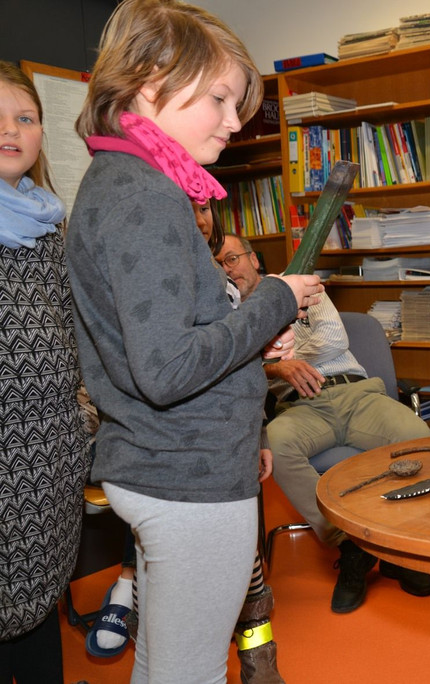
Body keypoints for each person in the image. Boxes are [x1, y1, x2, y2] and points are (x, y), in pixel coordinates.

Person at [65, 1, 322, 681]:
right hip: (188, 475)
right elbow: (168, 368)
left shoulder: (127, 183)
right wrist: (272, 301)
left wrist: (246, 340)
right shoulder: (144, 196)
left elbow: (168, 339)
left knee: (165, 661)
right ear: (151, 83)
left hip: (169, 464)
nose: (235, 122)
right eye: (219, 99)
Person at [85, 202, 286, 684]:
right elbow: (173, 367)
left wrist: (255, 433)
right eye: (187, 203)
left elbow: (234, 369)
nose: (199, 216)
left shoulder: (217, 280)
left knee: (236, 570)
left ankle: (257, 652)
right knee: (182, 645)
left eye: (205, 206)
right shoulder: (162, 269)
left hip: (225, 446)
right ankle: (129, 592)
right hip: (175, 457)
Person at [215, 233, 430, 614]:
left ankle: (398, 546)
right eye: (219, 264)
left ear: (253, 259)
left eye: (232, 258)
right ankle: (349, 546)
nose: (228, 269)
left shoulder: (297, 284)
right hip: (301, 407)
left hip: (355, 393)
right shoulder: (229, 315)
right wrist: (275, 368)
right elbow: (232, 372)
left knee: (418, 438)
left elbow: (333, 340)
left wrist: (270, 358)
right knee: (276, 447)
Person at [0, 60, 90, 684]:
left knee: (37, 620)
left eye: (25, 118)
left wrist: (80, 419)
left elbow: (77, 334)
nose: (12, 130)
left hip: (51, 462)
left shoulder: (51, 225)